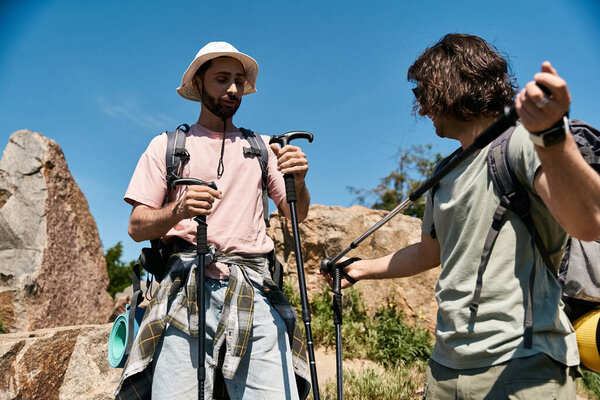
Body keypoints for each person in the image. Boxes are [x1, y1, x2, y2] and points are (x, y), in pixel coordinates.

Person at [328, 33, 600, 399]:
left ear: (449, 84)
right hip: (445, 366)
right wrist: (360, 269)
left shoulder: (519, 143)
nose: (421, 108)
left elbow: (587, 222)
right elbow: (430, 253)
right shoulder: (445, 172)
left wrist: (552, 137)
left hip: (522, 362)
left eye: (422, 93)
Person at [115, 41, 311, 400]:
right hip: (183, 293)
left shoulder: (263, 146)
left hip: (255, 290)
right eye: (222, 79)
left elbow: (296, 215)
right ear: (199, 83)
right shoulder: (168, 146)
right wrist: (179, 210)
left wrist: (296, 180)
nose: (233, 89)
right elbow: (137, 226)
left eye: (239, 80)